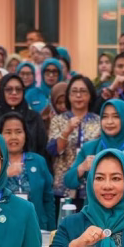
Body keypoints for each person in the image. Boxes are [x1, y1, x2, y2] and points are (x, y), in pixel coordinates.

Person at [64, 99, 124, 207]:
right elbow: (68, 182)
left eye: (116, 116)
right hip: (95, 212)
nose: (109, 122)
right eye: (105, 117)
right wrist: (82, 167)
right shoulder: (89, 148)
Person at [47, 75, 101, 210]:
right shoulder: (58, 120)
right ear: (68, 96)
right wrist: (67, 131)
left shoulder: (99, 121)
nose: (78, 95)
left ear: (90, 95)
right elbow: (54, 150)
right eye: (74, 91)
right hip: (63, 186)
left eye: (83, 91)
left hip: (91, 186)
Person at [0, 112, 55, 229]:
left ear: (26, 134)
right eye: (8, 132)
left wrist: (52, 229)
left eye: (18, 132)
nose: (13, 137)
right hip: (3, 226)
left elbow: (48, 199)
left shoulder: (38, 161)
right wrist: (5, 175)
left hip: (36, 225)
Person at [0, 73, 47, 160]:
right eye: (9, 89)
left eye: (18, 89)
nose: (14, 93)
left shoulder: (34, 118)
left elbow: (42, 149)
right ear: (2, 91)